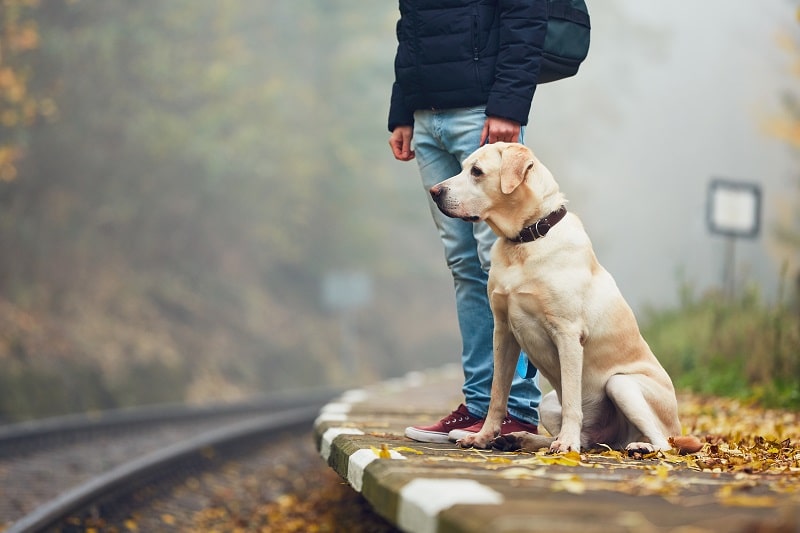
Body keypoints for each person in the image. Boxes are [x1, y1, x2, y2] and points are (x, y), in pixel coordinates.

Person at [388, 0, 547, 443]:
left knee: (495, 263)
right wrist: (403, 111)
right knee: (464, 264)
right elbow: (411, 29)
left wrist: (509, 105)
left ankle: (514, 408)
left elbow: (526, 16)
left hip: (481, 115)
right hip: (427, 119)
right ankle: (480, 406)